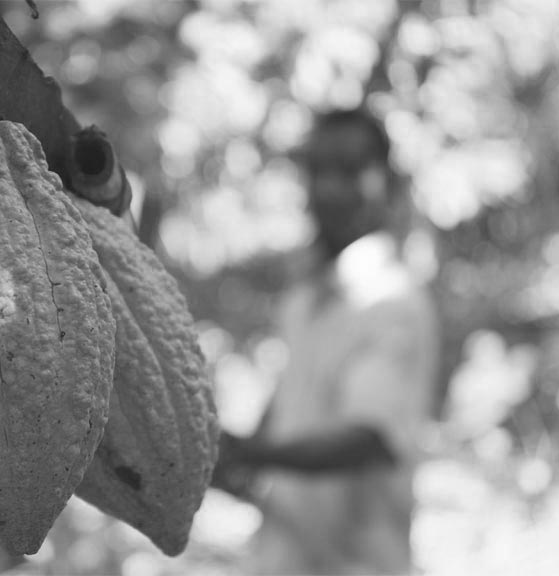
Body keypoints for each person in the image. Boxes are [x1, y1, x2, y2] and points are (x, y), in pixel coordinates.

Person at [213, 107, 441, 575]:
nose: (329, 189)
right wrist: (227, 461)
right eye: (318, 171)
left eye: (349, 170)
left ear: (388, 183)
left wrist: (253, 453)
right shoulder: (302, 301)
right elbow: (278, 433)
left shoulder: (394, 302)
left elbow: (367, 438)